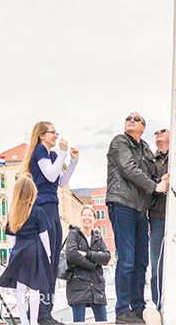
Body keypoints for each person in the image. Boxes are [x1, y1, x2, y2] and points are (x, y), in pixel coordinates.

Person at [107, 112, 168, 325]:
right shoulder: (119, 142)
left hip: (141, 210)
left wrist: (161, 180)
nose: (131, 120)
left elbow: (152, 176)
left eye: (136, 119)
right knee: (126, 260)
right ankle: (122, 310)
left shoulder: (146, 150)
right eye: (128, 118)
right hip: (122, 204)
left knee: (141, 261)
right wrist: (155, 186)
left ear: (143, 127)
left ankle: (138, 307)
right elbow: (128, 169)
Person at [21, 120, 79, 325]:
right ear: (41, 135)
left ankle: (46, 312)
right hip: (42, 208)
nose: (56, 136)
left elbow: (60, 182)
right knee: (45, 262)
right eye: (52, 133)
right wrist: (63, 153)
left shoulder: (53, 155)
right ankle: (38, 314)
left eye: (56, 132)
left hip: (52, 208)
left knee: (53, 263)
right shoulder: (39, 151)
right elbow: (50, 174)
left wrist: (72, 161)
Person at [0, 174, 53, 325]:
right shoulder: (38, 212)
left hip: (19, 251)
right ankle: (33, 321)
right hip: (34, 251)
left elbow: (12, 239)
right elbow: (44, 236)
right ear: (32, 192)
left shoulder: (13, 214)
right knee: (35, 288)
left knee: (20, 289)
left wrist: (14, 253)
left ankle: (23, 322)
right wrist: (48, 254)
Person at [65, 205, 111, 323]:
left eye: (90, 215)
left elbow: (106, 257)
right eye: (84, 215)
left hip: (97, 287)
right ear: (80, 218)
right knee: (79, 321)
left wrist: (87, 254)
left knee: (103, 321)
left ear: (94, 219)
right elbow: (71, 254)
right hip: (77, 286)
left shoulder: (98, 238)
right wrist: (92, 265)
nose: (87, 218)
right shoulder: (74, 234)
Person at [148, 127, 169, 311]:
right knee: (156, 268)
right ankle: (158, 305)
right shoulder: (150, 160)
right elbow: (145, 186)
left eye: (163, 130)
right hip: (156, 217)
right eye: (156, 132)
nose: (158, 133)